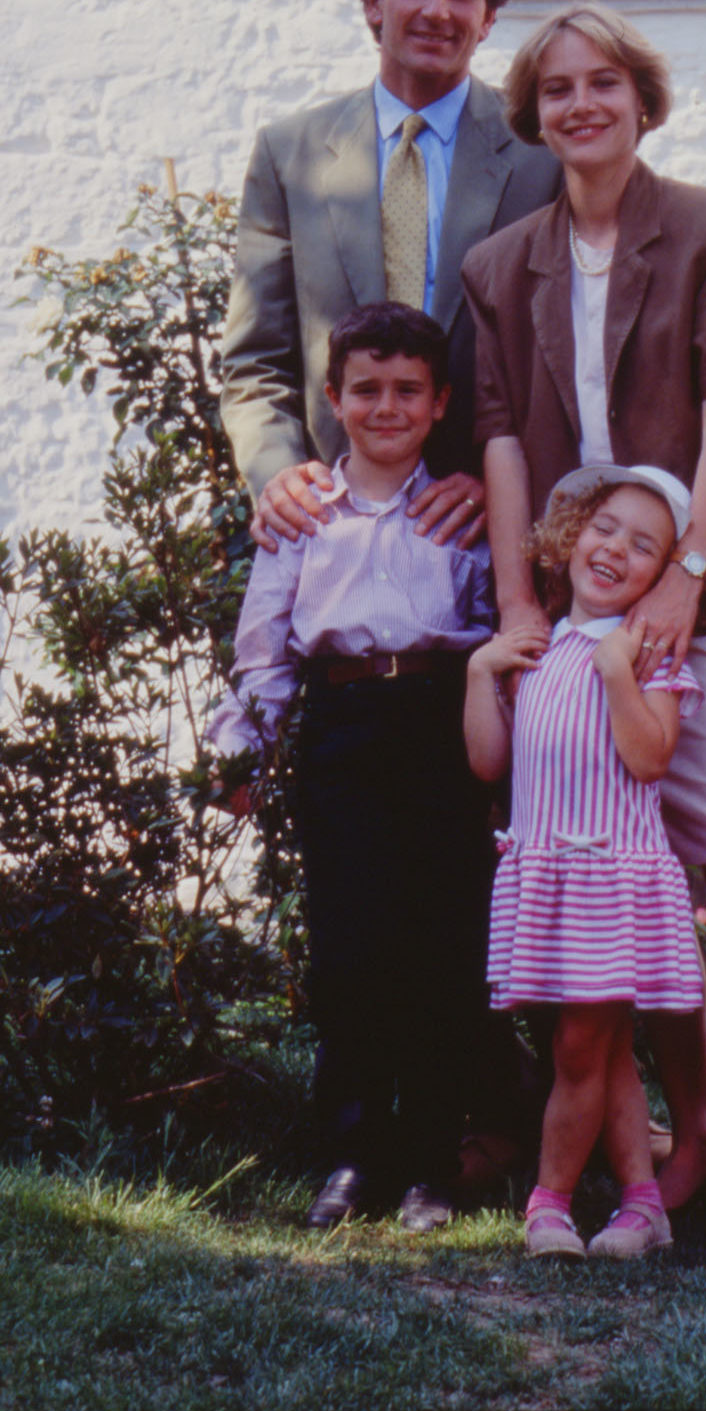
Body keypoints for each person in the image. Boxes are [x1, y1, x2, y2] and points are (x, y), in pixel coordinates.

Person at [461, 4, 706, 1242]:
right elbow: (503, 440)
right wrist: (522, 602)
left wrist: (691, 571)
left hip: (700, 591)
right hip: (575, 615)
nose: (580, 104)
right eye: (555, 88)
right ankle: (688, 1126)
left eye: (602, 80)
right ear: (534, 115)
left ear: (642, 96)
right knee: (619, 869)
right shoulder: (501, 266)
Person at [207, 303, 498, 1234]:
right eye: (365, 389)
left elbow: (500, 628)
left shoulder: (460, 512)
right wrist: (240, 752)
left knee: (444, 945)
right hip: (344, 730)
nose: (386, 406)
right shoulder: (302, 516)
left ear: (438, 400)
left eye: (407, 389)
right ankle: (349, 1154)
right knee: (352, 947)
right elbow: (264, 652)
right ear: (332, 400)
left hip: (441, 724)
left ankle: (431, 1161)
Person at [219, 0, 562, 552]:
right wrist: (279, 475)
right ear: (374, 1)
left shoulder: (540, 159)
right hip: (333, 533)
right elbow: (256, 359)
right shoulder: (290, 155)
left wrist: (505, 484)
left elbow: (569, 360)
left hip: (489, 534)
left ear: (489, 16)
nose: (438, 10)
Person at [465, 465, 706, 1259]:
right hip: (549, 877)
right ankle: (642, 1206)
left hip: (611, 879)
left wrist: (615, 674)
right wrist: (480, 673)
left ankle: (550, 1204)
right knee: (599, 1050)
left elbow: (648, 757)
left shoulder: (647, 652)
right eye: (604, 528)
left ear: (660, 573)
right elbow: (489, 763)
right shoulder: (536, 649)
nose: (615, 551)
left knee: (579, 1046)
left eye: (644, 546)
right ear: (570, 535)